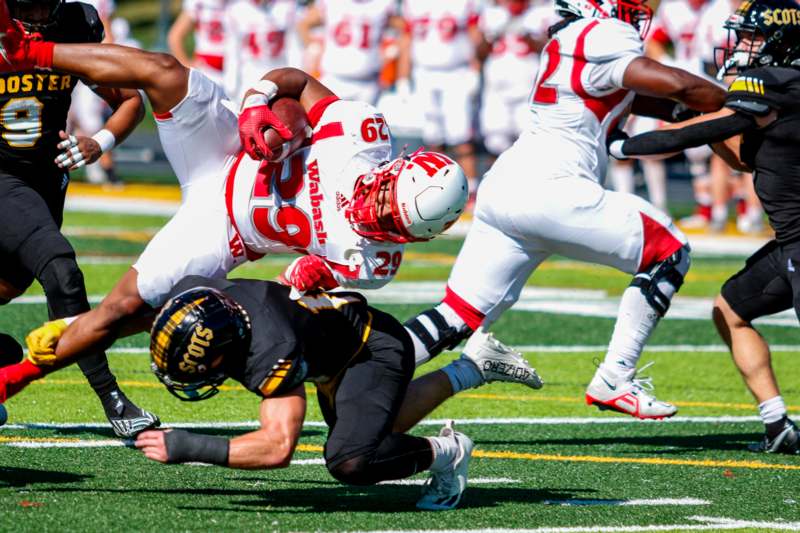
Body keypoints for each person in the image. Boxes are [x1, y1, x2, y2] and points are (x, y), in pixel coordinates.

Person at [0, 30, 470, 402]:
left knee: (122, 310)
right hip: (228, 151)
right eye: (384, 195)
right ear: (395, 168)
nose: (374, 212)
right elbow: (296, 82)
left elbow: (298, 290)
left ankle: (13, 378)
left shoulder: (372, 263)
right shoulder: (360, 135)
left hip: (227, 232)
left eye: (391, 221)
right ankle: (27, 52)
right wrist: (257, 106)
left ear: (413, 237)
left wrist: (308, 278)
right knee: (164, 71)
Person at [403, 0, 729, 420]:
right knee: (669, 249)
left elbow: (645, 99)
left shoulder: (569, 40)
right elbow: (677, 86)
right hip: (553, 189)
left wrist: (701, 108)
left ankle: (361, 367)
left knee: (456, 315)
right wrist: (737, 99)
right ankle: (616, 376)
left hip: (507, 187)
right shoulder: (602, 32)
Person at [607, 0, 800, 452]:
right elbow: (742, 156)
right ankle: (778, 426)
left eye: (752, 36)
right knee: (730, 310)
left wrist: (621, 147)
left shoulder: (776, 82)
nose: (742, 46)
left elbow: (689, 135)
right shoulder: (784, 94)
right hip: (790, 241)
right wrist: (696, 117)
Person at [0, 0, 156, 436]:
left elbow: (129, 101)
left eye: (44, 4)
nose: (36, 16)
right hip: (1, 175)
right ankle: (113, 399)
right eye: (26, 6)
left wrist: (99, 141)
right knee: (62, 272)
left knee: (8, 287)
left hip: (46, 179)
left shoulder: (75, 23)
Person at [397, 0, 483, 197]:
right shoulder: (412, 4)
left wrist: (475, 70)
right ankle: (439, 191)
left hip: (456, 72)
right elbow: (406, 40)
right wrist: (402, 78)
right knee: (433, 137)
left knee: (461, 136)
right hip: (424, 73)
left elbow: (474, 37)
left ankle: (471, 191)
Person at [296, 0, 404, 106]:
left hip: (368, 82)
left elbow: (405, 28)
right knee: (331, 121)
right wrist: (312, 45)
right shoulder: (330, 3)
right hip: (334, 79)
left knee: (364, 122)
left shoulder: (382, 4)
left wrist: (395, 49)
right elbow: (304, 24)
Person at [222, 0, 294, 105]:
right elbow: (233, 51)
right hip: (250, 76)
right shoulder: (236, 10)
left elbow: (294, 48)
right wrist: (231, 85)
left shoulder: (286, 7)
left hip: (280, 75)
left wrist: (296, 76)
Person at [167, 0, 226, 86]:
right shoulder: (197, 3)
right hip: (208, 71)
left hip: (239, 68)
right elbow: (175, 36)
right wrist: (186, 64)